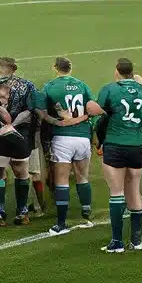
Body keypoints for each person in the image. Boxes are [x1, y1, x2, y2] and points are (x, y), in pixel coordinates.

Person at [85, 57, 142, 253]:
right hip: (136, 144)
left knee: (116, 192)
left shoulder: (110, 89)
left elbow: (95, 110)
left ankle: (117, 242)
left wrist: (90, 105)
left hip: (115, 143)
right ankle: (137, 240)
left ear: (117, 71)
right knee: (134, 191)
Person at [38, 56, 95, 235]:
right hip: (83, 137)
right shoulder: (82, 85)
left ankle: (61, 223)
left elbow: (41, 112)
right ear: (71, 68)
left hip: (62, 138)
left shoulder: (50, 86)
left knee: (62, 179)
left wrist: (56, 121)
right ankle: (86, 211)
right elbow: (92, 109)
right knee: (82, 176)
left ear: (55, 68)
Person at [0, 57, 38, 226]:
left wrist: (2, 126)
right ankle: (22, 212)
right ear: (14, 68)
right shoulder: (27, 85)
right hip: (20, 137)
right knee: (22, 173)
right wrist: (13, 125)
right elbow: (30, 111)